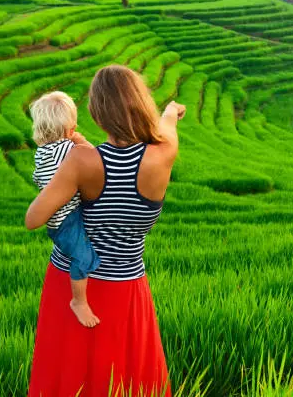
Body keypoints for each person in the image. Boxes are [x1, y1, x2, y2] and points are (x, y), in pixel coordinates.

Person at [26, 65, 185, 397]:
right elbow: (166, 127)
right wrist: (170, 112)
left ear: (96, 116)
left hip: (71, 284)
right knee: (128, 380)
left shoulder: (83, 160)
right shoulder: (164, 153)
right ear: (142, 105)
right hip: (127, 286)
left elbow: (34, 218)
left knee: (69, 377)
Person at [30, 91, 101, 328]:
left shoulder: (42, 153)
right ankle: (79, 301)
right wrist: (79, 140)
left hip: (59, 220)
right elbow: (95, 156)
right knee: (82, 255)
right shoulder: (67, 149)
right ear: (70, 129)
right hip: (66, 221)